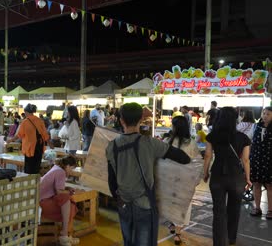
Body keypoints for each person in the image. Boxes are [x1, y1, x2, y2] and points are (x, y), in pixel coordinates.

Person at [106, 103, 191, 246]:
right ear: (141, 120)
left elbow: (111, 180)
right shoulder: (150, 143)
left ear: (121, 121)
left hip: (124, 203)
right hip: (144, 203)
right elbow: (184, 158)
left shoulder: (111, 146)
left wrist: (119, 199)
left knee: (128, 241)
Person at [203, 107, 252, 246]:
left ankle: (219, 243)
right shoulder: (243, 138)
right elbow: (246, 160)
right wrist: (248, 178)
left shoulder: (212, 136)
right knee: (234, 209)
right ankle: (231, 239)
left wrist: (205, 173)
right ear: (235, 119)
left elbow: (207, 156)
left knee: (218, 211)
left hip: (218, 176)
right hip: (236, 177)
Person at [164, 116, 200, 245]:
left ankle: (173, 225)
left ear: (174, 127)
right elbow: (197, 163)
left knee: (171, 203)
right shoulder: (191, 143)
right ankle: (178, 233)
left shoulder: (167, 141)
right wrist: (197, 179)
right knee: (184, 206)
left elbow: (161, 160)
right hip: (186, 180)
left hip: (169, 179)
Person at [40, 155, 80, 246]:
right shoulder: (61, 172)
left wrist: (67, 188)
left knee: (69, 201)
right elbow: (59, 192)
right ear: (68, 166)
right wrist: (71, 192)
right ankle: (65, 234)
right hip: (43, 201)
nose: (72, 171)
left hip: (42, 198)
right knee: (67, 200)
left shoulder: (57, 168)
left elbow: (57, 187)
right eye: (72, 168)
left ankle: (66, 235)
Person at [7, 104, 53, 174]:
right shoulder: (40, 121)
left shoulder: (25, 122)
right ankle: (36, 181)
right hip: (39, 147)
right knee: (36, 166)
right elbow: (45, 134)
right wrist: (50, 144)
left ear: (26, 112)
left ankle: (29, 182)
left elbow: (19, 135)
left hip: (29, 148)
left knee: (29, 168)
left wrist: (10, 140)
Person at [249, 106, 272, 219]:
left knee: (270, 185)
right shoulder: (256, 126)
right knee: (256, 183)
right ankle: (257, 207)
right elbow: (251, 141)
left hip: (270, 160)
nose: (265, 116)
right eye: (264, 113)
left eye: (268, 114)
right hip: (256, 159)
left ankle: (270, 210)